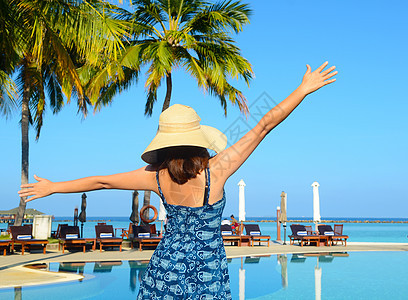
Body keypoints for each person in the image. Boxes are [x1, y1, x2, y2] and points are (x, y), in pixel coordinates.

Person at [18, 62, 337, 299]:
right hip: (208, 274)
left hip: (166, 268)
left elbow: (102, 182)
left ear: (163, 144)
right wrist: (303, 89)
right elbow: (265, 124)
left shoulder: (156, 177)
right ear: (200, 140)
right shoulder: (218, 169)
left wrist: (53, 187)